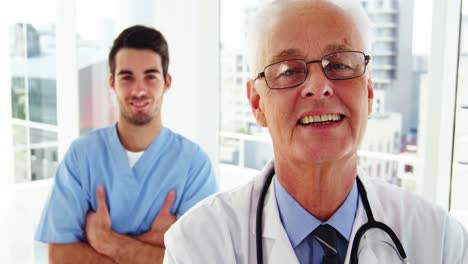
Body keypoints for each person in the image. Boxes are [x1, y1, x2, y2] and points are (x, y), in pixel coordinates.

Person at [163, 1, 468, 263]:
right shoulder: (197, 245)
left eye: (339, 65)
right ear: (257, 103)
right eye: (288, 71)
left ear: (370, 93)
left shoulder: (440, 240)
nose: (318, 87)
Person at [35, 25, 218, 264]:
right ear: (112, 82)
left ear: (167, 82)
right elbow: (60, 256)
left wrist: (106, 242)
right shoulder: (82, 156)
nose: (139, 89)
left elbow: (199, 260)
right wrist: (155, 249)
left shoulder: (194, 165)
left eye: (150, 76)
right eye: (127, 76)